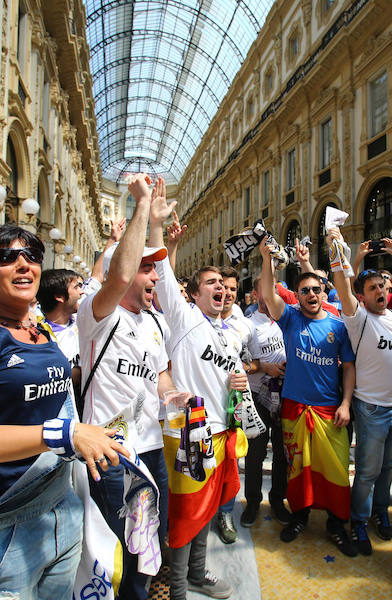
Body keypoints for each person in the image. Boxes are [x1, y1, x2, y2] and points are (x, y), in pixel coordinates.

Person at [0, 224, 128, 598]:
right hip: (4, 523)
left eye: (32, 257)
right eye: (6, 257)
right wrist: (67, 434)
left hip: (60, 508)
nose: (24, 265)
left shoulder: (40, 330)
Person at [77, 175, 174, 600]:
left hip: (152, 450)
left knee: (149, 544)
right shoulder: (98, 313)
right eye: (146, 267)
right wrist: (141, 207)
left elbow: (161, 375)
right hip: (113, 452)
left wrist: (176, 398)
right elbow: (114, 277)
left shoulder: (155, 321)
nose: (154, 275)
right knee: (117, 547)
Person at [148, 196, 243, 600]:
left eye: (223, 285)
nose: (220, 288)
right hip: (190, 435)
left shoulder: (230, 332)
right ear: (192, 293)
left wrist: (237, 384)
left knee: (206, 513)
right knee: (187, 516)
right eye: (211, 284)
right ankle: (179, 589)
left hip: (222, 435)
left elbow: (225, 381)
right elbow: (161, 270)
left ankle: (200, 573)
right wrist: (156, 226)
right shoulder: (185, 319)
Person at [258, 238, 358, 556]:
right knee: (296, 468)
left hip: (330, 411)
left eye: (316, 290)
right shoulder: (290, 319)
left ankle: (336, 523)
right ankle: (299, 516)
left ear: (324, 292)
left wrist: (345, 404)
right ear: (298, 296)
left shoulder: (339, 326)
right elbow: (268, 295)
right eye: (305, 291)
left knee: (336, 470)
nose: (311, 295)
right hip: (294, 408)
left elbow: (350, 368)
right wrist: (267, 261)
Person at [327, 230, 392, 556]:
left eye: (382, 287)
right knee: (367, 471)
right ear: (362, 296)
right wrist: (338, 249)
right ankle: (358, 520)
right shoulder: (358, 320)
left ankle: (379, 512)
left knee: (388, 469)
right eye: (372, 288)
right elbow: (343, 285)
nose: (380, 291)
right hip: (371, 408)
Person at [213, 265, 260, 544]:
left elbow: (252, 362)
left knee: (231, 461)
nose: (227, 293)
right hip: (203, 404)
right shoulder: (199, 319)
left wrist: (246, 370)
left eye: (232, 288)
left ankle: (226, 512)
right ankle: (203, 510)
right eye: (222, 287)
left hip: (231, 406)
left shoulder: (245, 325)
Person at [240, 281, 291, 528]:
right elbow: (239, 363)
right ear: (256, 293)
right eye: (265, 290)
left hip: (285, 397)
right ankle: (252, 501)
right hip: (258, 398)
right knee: (255, 454)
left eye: (276, 289)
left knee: (282, 453)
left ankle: (278, 500)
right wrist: (264, 367)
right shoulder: (248, 325)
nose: (271, 295)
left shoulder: (287, 321)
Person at [37, 268, 84, 405]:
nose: (82, 292)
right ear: (59, 296)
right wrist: (80, 371)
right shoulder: (38, 336)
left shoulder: (85, 323)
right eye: (76, 287)